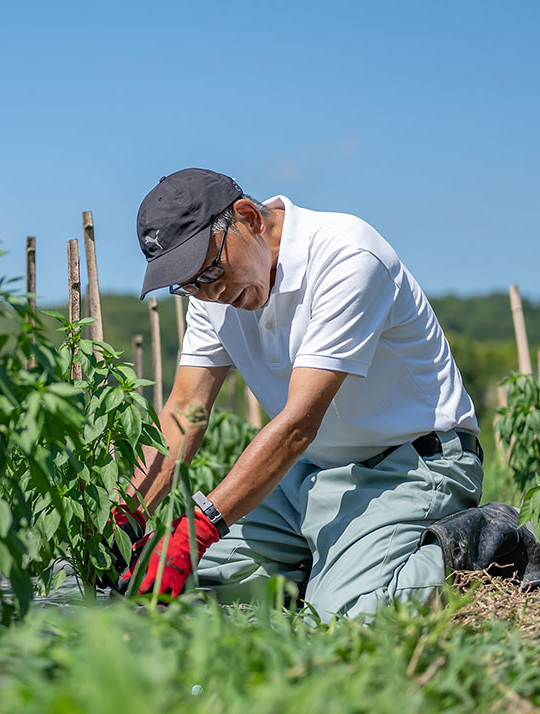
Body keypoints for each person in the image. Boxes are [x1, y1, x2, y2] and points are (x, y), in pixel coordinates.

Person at [113, 168, 485, 621]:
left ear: (249, 218)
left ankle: (472, 550)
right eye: (189, 284)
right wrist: (126, 517)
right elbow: (185, 411)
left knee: (348, 618)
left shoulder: (346, 255)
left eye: (211, 270)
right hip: (309, 477)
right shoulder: (211, 297)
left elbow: (299, 423)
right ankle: (332, 562)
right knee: (159, 582)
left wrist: (202, 526)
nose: (211, 293)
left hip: (412, 467)